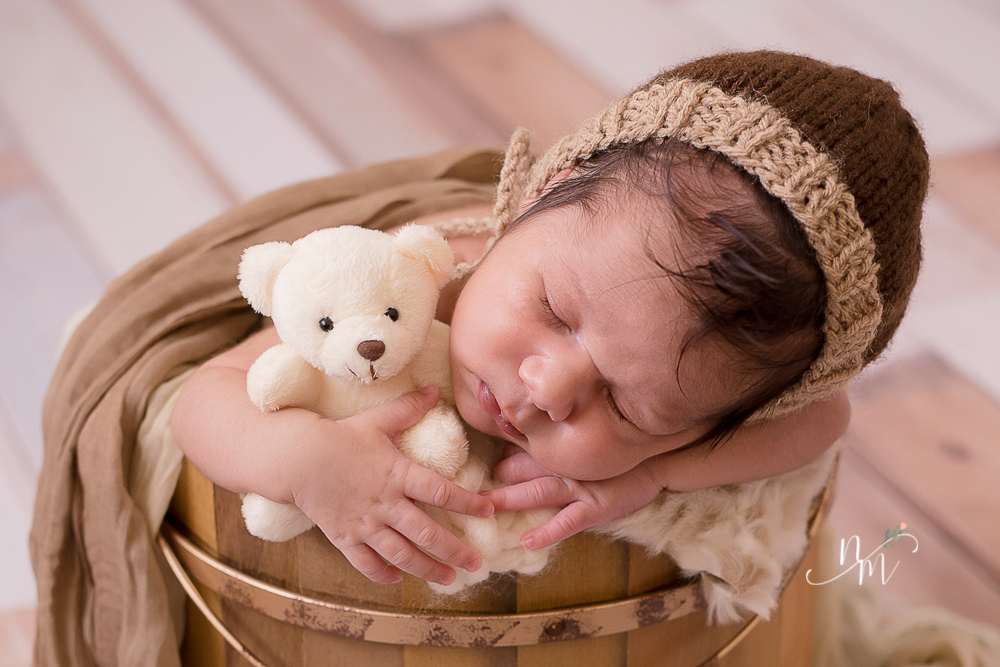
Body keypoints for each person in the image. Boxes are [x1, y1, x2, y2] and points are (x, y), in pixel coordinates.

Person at [170, 50, 928, 591]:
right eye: (555, 312)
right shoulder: (420, 287)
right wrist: (305, 460)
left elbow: (823, 414)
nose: (547, 388)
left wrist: (656, 471)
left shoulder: (722, 397)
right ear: (542, 192)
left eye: (631, 405)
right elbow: (204, 393)